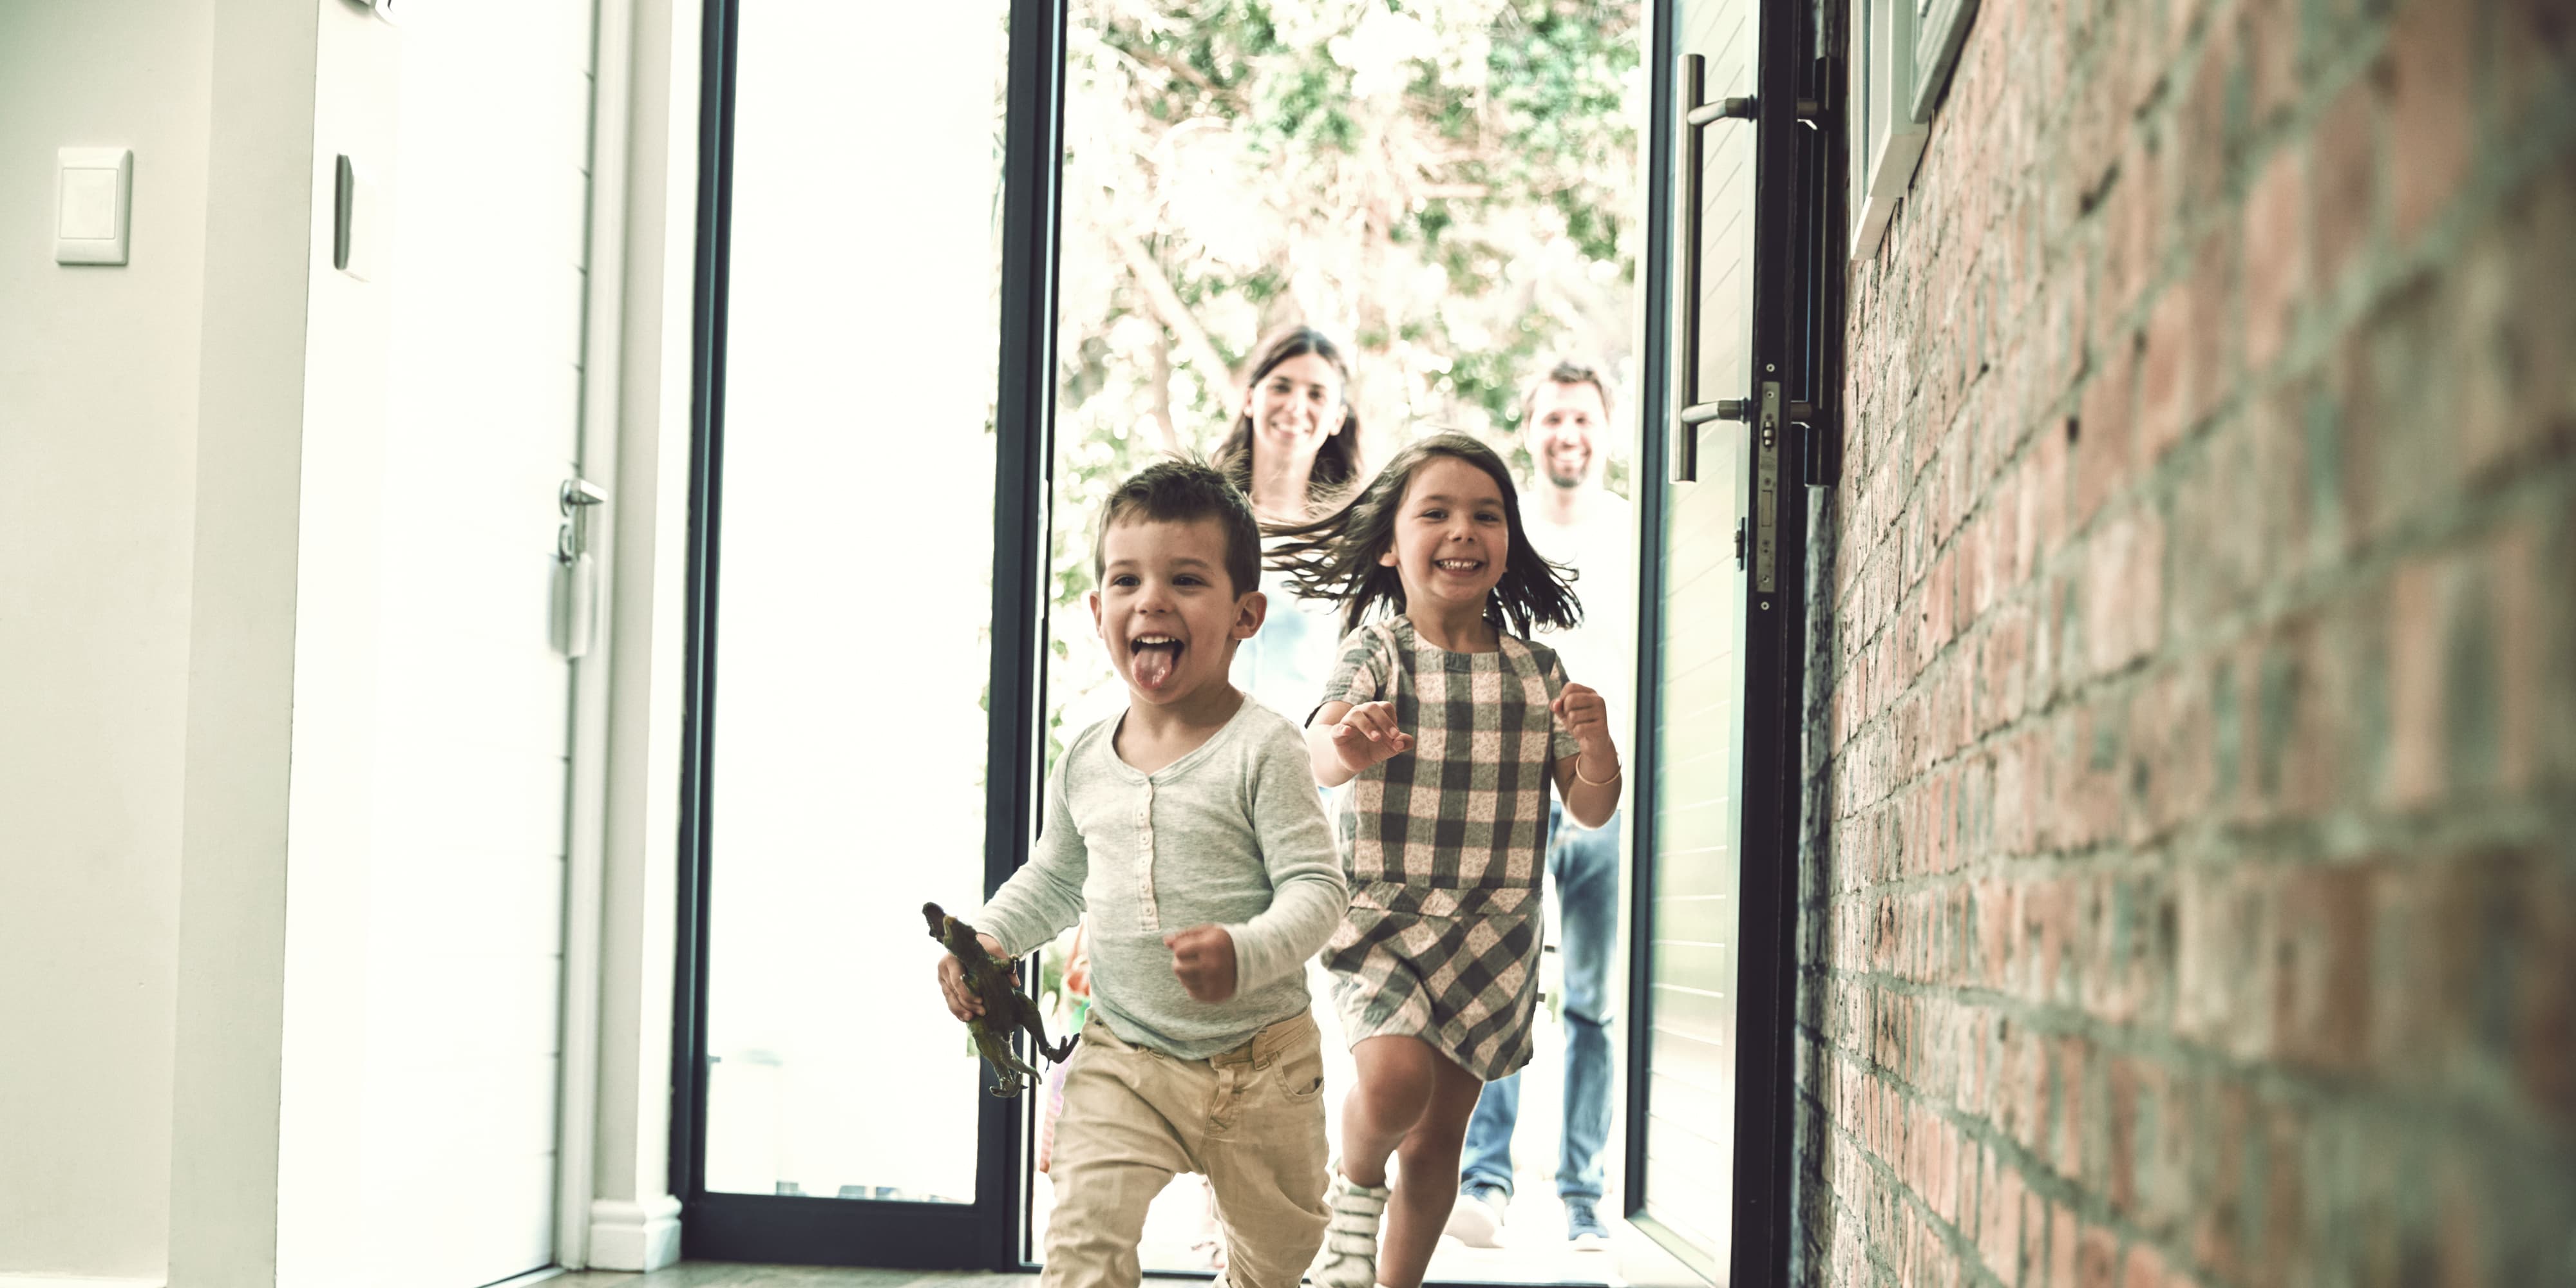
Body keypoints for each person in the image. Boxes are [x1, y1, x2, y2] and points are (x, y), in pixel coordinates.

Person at [937, 460, 1349, 1288]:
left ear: (1245, 615)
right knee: (1082, 1242)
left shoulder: (1267, 748)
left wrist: (1245, 947)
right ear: (1098, 613)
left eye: (1185, 579)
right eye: (1127, 579)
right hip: (1124, 1053)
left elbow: (1319, 890)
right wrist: (987, 935)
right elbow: (1055, 875)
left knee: (1277, 1261)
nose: (1151, 599)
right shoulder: (1088, 758)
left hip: (1263, 1064)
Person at [1267, 434, 1625, 1288]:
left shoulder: (1540, 674)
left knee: (1438, 1144)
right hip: (1384, 924)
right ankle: (1351, 1197)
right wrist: (1348, 744)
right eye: (1436, 513)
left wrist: (1600, 743)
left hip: (1493, 942)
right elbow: (1317, 755)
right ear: (1392, 545)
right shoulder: (1378, 652)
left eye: (1485, 515)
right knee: (1393, 1085)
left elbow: (1590, 804)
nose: (1462, 529)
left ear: (1508, 544)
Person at [1445, 361, 1635, 1250]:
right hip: (1513, 795)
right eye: (1554, 417)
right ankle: (1485, 1185)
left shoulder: (1638, 534)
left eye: (1584, 418)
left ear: (1607, 428)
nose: (1570, 433)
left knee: (1593, 1000)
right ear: (1531, 427)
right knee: (1501, 987)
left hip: (1600, 792)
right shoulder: (1503, 541)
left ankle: (1586, 1201)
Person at [1216, 325, 1366, 725]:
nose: (1296, 406)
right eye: (1281, 387)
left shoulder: (1354, 541)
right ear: (1250, 398)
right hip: (1204, 762)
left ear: (1337, 418)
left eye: (1316, 394)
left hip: (1305, 769)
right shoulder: (1203, 519)